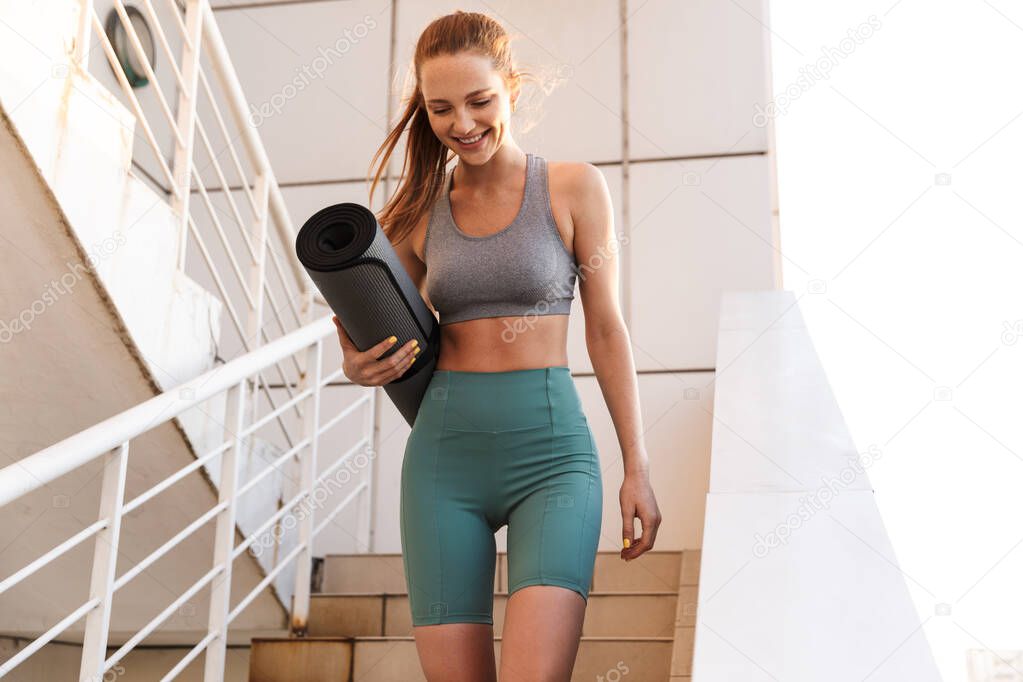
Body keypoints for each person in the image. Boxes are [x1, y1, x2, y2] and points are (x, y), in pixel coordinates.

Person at [331, 10, 660, 682]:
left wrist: (636, 465)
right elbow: (366, 309)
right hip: (443, 464)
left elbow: (604, 328)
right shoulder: (421, 208)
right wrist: (354, 360)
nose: (463, 123)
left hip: (552, 458)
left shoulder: (572, 187)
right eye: (440, 108)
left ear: (511, 87)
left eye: (479, 101)